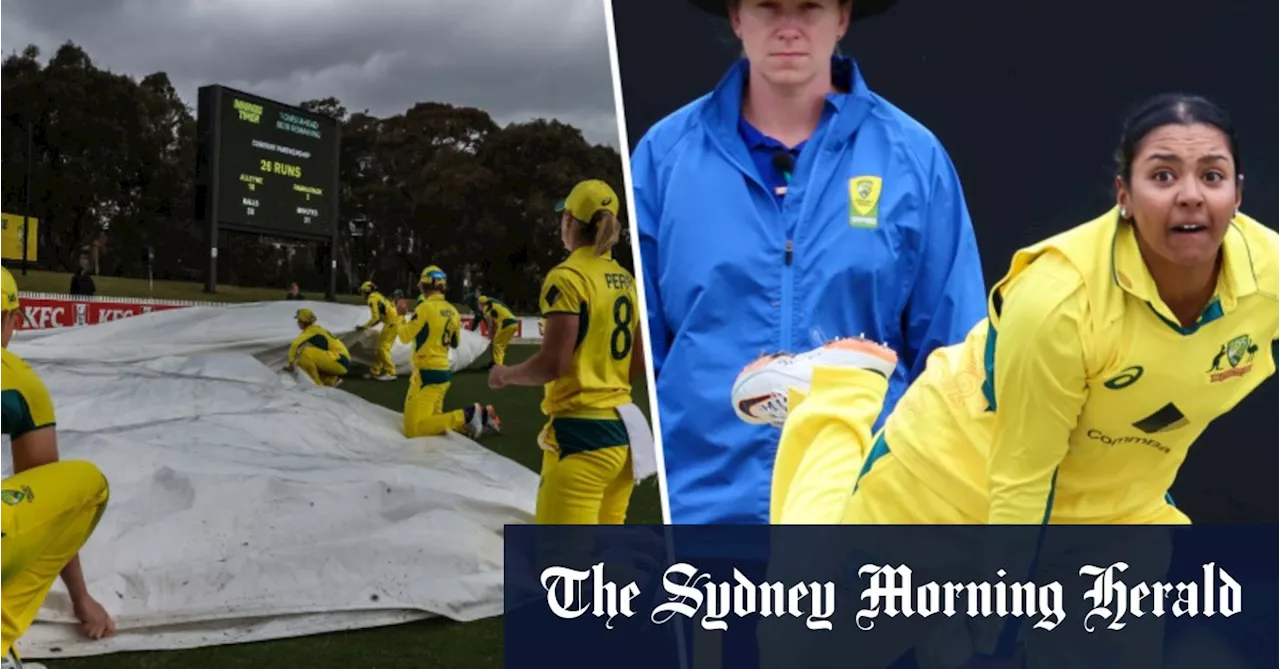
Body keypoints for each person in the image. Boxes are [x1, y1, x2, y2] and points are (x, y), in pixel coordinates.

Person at [752, 92, 1257, 668]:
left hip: (1113, 519)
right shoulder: (1059, 300)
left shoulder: (1268, 281)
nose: (1190, 194)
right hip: (951, 477)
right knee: (797, 649)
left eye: (1211, 175)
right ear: (1124, 197)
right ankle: (838, 392)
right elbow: (1022, 479)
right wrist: (993, 621)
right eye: (1162, 174)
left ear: (1237, 194)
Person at [630, 0, 986, 526]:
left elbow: (956, 359)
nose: (789, 27)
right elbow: (647, 349)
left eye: (810, 6)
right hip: (703, 517)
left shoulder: (914, 156)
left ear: (842, 17)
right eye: (768, 6)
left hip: (866, 513)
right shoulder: (665, 156)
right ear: (735, 16)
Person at [488, 179, 650, 524]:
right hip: (624, 437)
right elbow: (636, 360)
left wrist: (506, 374)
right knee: (607, 560)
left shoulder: (567, 277)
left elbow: (553, 364)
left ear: (569, 222)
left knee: (562, 571)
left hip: (582, 438)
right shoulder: (625, 279)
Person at [0, 266, 115, 669]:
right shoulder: (17, 384)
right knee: (89, 485)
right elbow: (49, 494)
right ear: (15, 318)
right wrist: (80, 598)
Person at [397, 266, 499, 440]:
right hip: (443, 370)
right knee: (433, 420)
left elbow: (405, 336)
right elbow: (455, 342)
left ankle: (469, 414)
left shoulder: (424, 308)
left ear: (423, 285)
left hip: (426, 372)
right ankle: (480, 417)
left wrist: (400, 316)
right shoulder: (452, 311)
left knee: (412, 429)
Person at [285, 309, 351, 388]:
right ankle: (331, 381)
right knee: (309, 355)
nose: (297, 323)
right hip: (342, 360)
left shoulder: (310, 331)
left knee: (305, 353)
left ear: (302, 322)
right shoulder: (316, 328)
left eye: (298, 320)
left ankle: (317, 386)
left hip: (340, 361)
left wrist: (291, 363)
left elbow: (294, 345)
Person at [355, 281, 400, 381]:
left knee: (382, 349)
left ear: (367, 292)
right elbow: (379, 318)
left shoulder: (372, 299)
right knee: (382, 348)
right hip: (394, 322)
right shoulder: (378, 296)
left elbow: (375, 318)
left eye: (363, 292)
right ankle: (375, 371)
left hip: (391, 323)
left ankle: (391, 372)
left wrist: (364, 326)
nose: (362, 294)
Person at [464, 292, 519, 368]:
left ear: (480, 303)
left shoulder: (486, 309)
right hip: (513, 322)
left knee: (497, 345)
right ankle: (496, 363)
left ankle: (498, 366)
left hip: (505, 324)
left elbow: (491, 324)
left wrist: (490, 335)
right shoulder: (492, 303)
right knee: (499, 346)